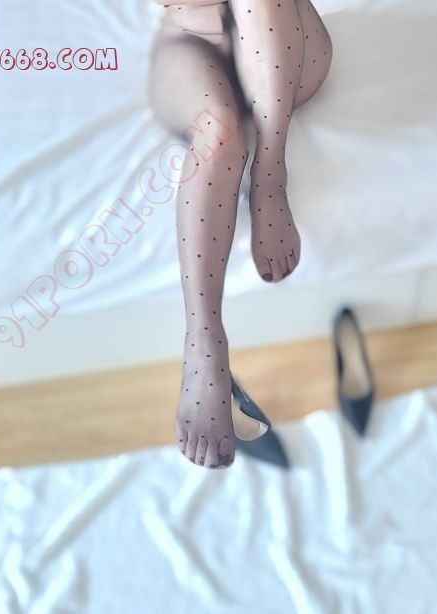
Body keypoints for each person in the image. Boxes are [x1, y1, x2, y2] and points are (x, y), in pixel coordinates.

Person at [150, 0, 332, 468]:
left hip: (286, 49)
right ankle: (203, 343)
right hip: (192, 45)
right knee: (217, 134)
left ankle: (270, 174)